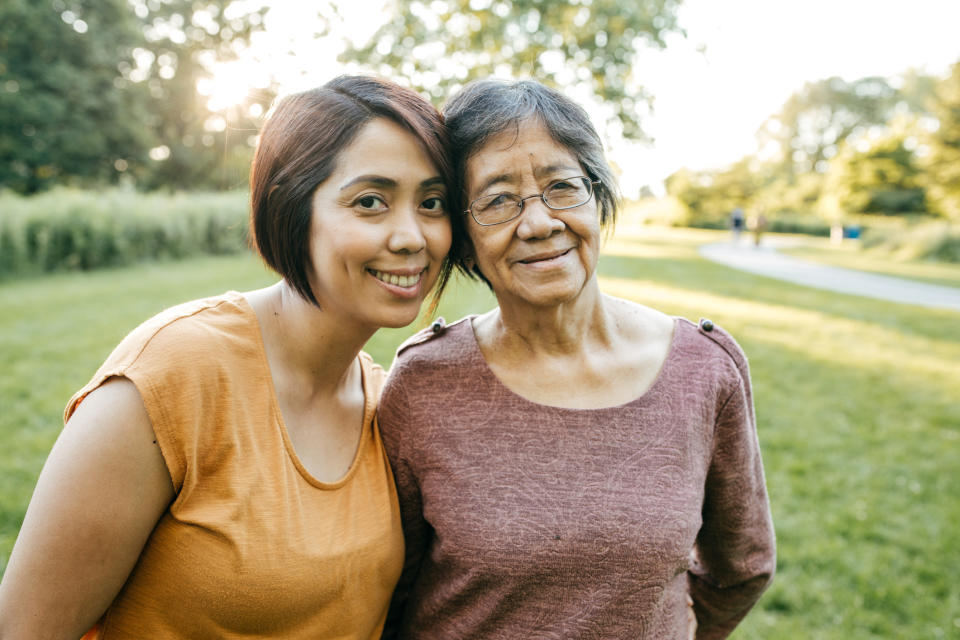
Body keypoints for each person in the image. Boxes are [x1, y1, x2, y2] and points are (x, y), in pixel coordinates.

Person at [0, 75, 454, 639]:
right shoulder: (174, 374)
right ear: (291, 206)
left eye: (431, 202)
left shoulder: (388, 403)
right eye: (370, 202)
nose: (413, 235)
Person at [378, 79, 776, 639]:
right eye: (497, 200)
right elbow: (386, 591)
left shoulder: (703, 370)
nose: (539, 223)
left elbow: (743, 570)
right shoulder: (423, 383)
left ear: (598, 198)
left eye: (562, 187)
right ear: (462, 237)